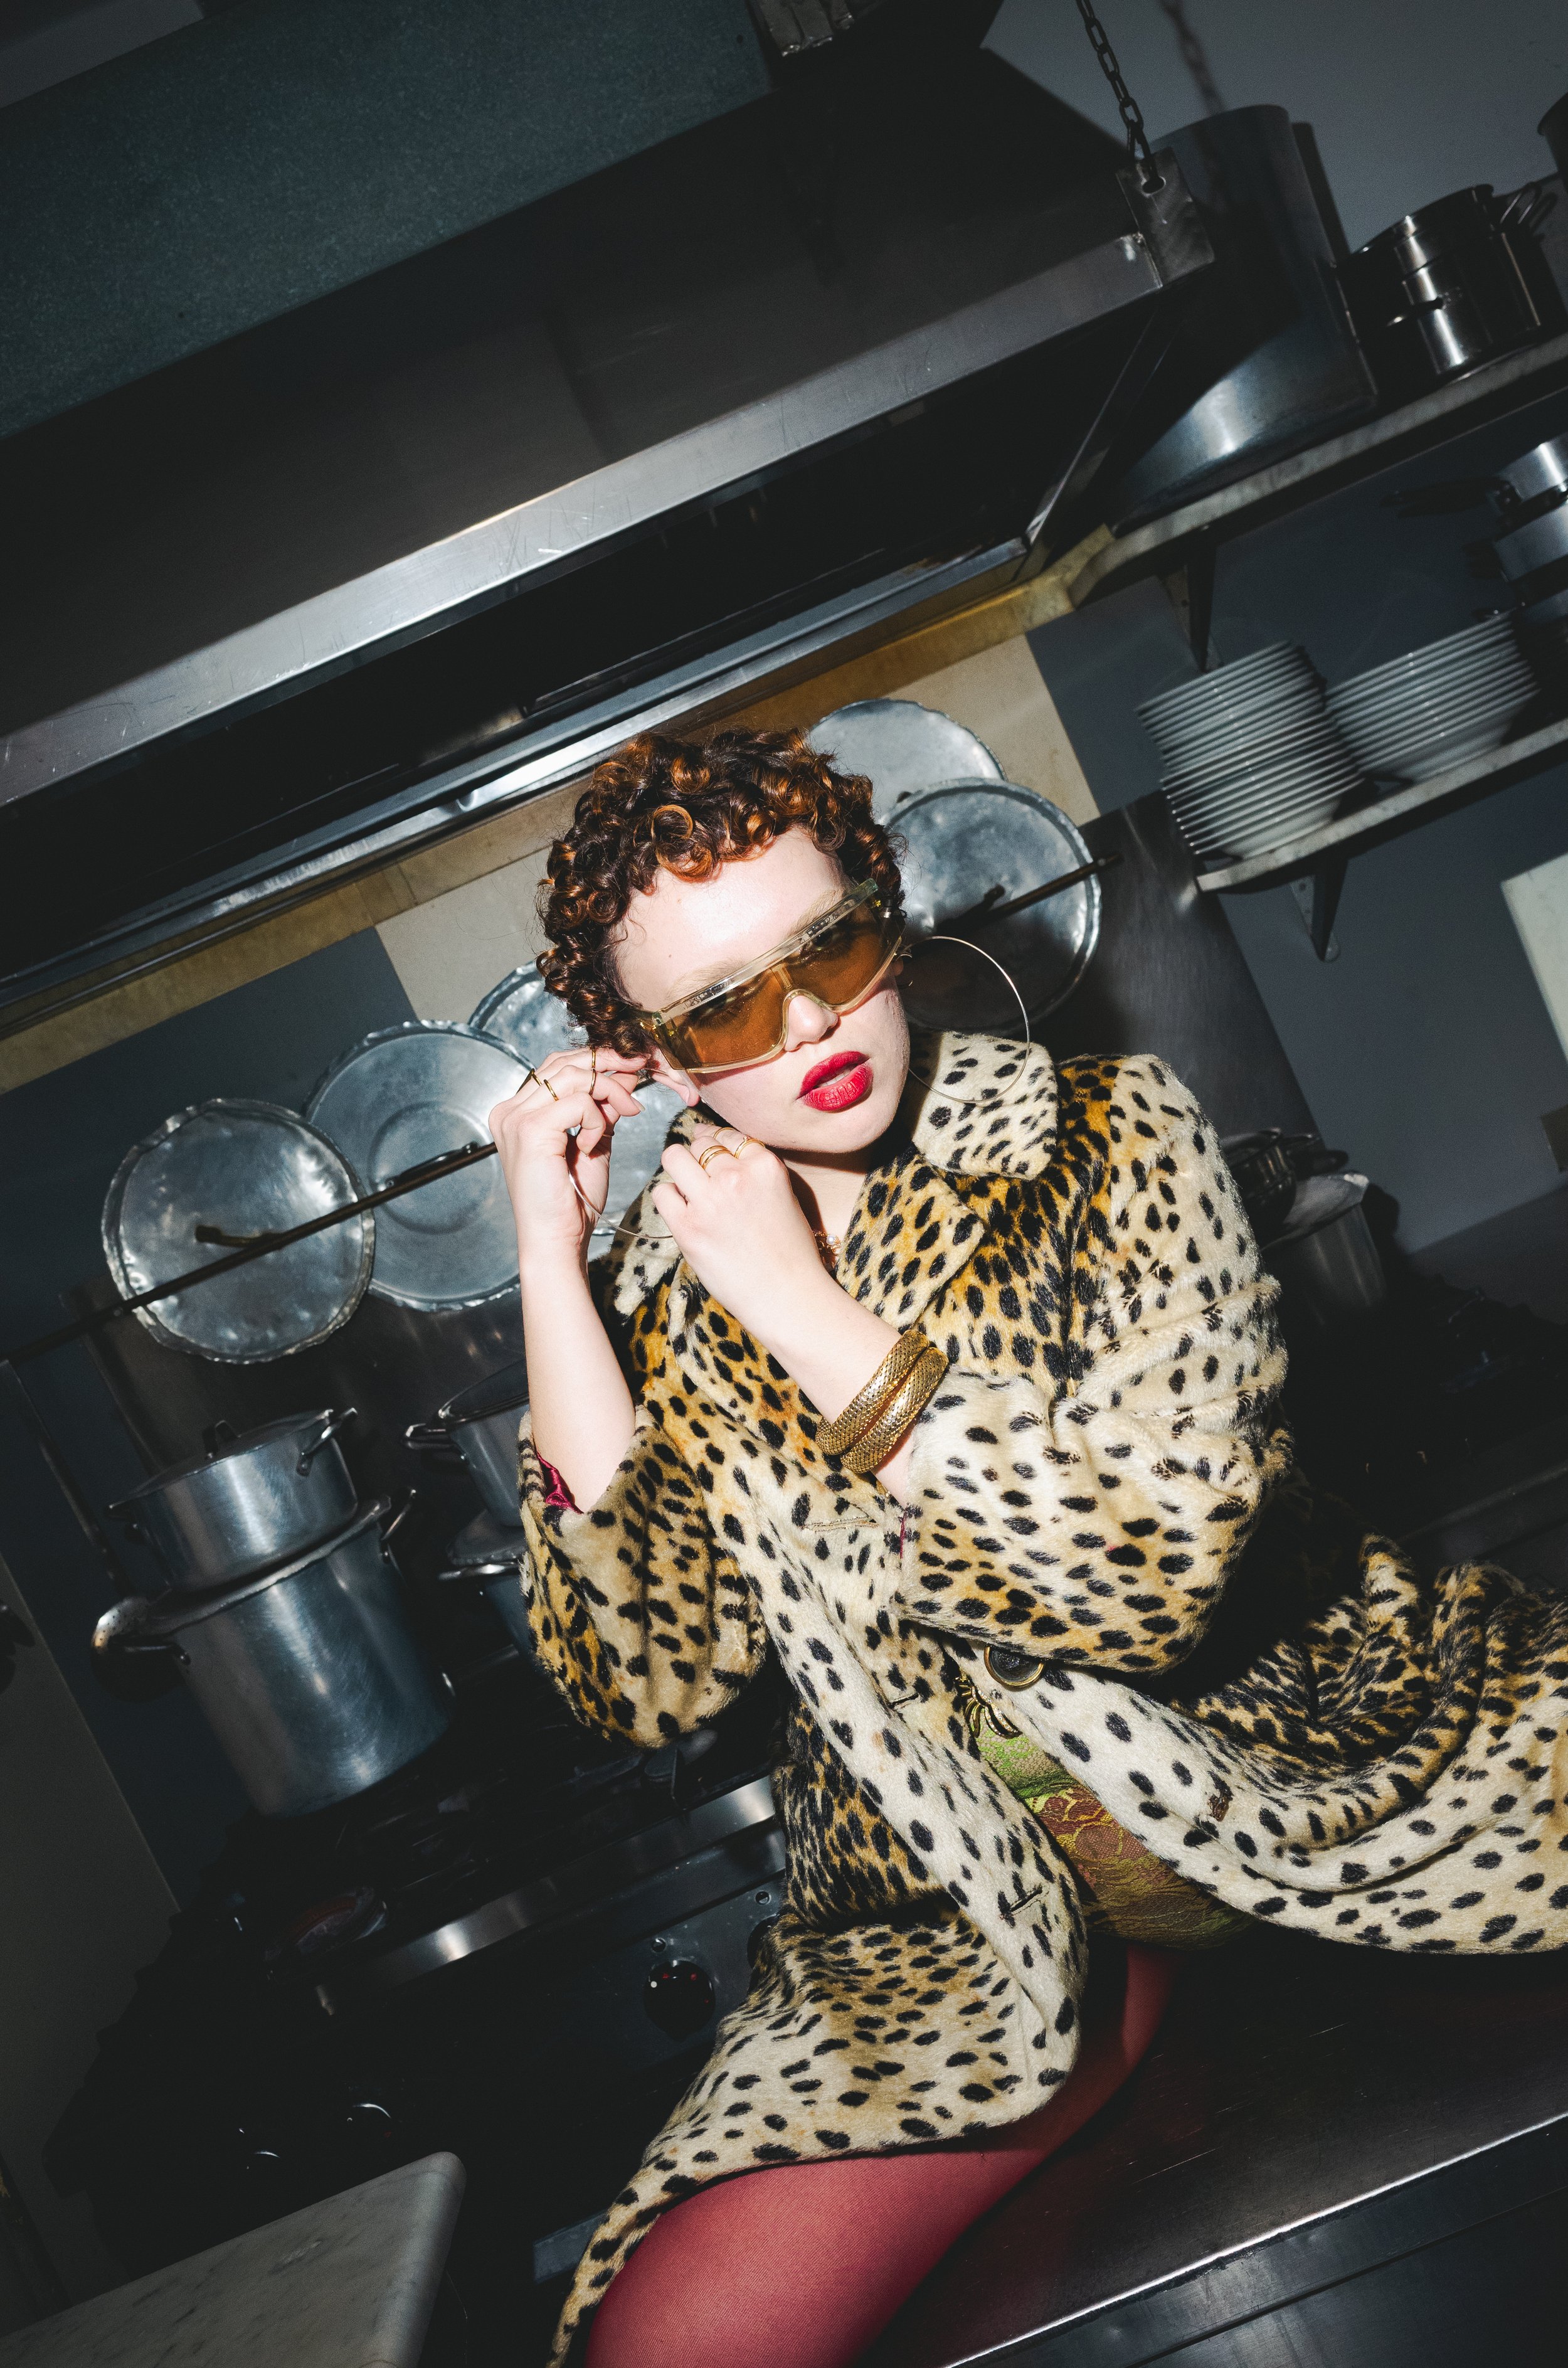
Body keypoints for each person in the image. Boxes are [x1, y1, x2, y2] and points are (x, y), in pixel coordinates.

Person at [488, 727, 1568, 2368]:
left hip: (1348, 1771)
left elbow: (1154, 1573)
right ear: (643, 1054)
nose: (811, 1028)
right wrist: (551, 1261)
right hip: (968, 1915)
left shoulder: (1106, 1137)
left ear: (885, 916)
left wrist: (803, 1309)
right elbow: (639, 1680)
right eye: (721, 1008)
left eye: (831, 947)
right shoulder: (664, 1290)